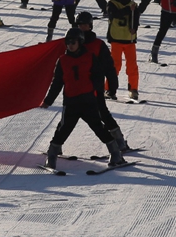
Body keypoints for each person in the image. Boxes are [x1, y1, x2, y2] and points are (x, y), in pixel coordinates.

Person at [40, 28, 126, 172]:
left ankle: (115, 153)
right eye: (67, 42)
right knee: (63, 130)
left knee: (99, 128)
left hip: (88, 101)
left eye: (73, 42)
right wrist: (48, 101)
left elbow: (98, 76)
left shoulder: (90, 57)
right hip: (71, 102)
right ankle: (52, 156)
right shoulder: (62, 60)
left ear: (80, 42)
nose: (70, 45)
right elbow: (57, 83)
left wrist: (96, 91)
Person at [76, 11, 133, 153]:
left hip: (95, 88)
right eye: (80, 25)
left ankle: (119, 141)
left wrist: (112, 86)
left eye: (85, 25)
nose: (83, 28)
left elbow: (109, 66)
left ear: (90, 26)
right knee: (68, 117)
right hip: (75, 89)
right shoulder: (72, 43)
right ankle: (56, 147)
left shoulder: (98, 45)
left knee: (103, 114)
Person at [105, 0, 141, 101]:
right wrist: (128, 10)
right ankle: (109, 89)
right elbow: (115, 14)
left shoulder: (133, 5)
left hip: (129, 39)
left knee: (132, 66)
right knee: (115, 65)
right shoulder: (112, 3)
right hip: (116, 39)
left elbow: (136, 19)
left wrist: (134, 28)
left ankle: (133, 89)